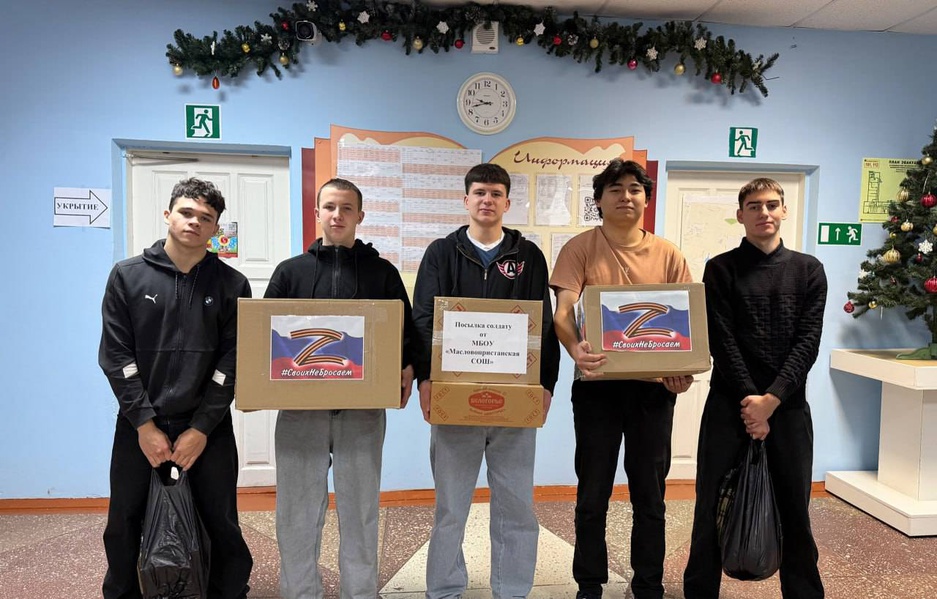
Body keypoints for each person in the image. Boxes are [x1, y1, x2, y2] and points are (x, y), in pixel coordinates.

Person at [99, 177, 253, 599]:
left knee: (221, 520)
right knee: (123, 521)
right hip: (138, 424)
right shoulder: (127, 276)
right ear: (168, 215)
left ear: (216, 228)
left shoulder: (232, 285)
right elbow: (116, 355)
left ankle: (228, 591)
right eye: (187, 212)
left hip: (207, 427)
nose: (194, 222)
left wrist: (201, 428)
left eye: (206, 217)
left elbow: (231, 361)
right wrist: (144, 424)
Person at [412, 163, 560, 599]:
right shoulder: (441, 253)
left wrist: (546, 385)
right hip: (454, 399)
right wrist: (426, 379)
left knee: (516, 505)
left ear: (507, 203)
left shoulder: (528, 256)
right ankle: (444, 588)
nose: (487, 200)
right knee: (450, 506)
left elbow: (543, 325)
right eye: (479, 192)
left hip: (515, 399)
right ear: (466, 200)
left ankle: (511, 588)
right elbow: (424, 319)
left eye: (495, 193)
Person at [265, 178, 417, 599]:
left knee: (361, 511)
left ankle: (360, 593)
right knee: (296, 514)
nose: (337, 215)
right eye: (330, 207)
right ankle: (300, 594)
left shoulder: (382, 274)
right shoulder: (290, 273)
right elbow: (264, 334)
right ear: (317, 213)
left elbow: (405, 332)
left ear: (360, 216)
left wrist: (409, 365)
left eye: (347, 208)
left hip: (362, 413)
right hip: (300, 412)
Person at [550, 158, 694, 599]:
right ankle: (589, 584)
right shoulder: (580, 248)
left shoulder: (668, 253)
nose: (625, 197)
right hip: (597, 387)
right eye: (615, 189)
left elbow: (686, 322)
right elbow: (562, 312)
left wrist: (682, 371)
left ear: (646, 198)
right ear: (598, 200)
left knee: (650, 496)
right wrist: (575, 349)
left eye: (634, 189)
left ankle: (648, 585)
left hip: (653, 392)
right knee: (592, 493)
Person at [683, 178, 827, 599]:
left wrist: (772, 400)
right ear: (740, 214)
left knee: (795, 511)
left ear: (783, 211)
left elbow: (808, 342)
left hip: (789, 408)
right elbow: (722, 339)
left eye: (772, 204)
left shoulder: (808, 270)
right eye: (754, 206)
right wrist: (752, 403)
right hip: (729, 406)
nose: (764, 212)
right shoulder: (720, 269)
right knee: (710, 507)